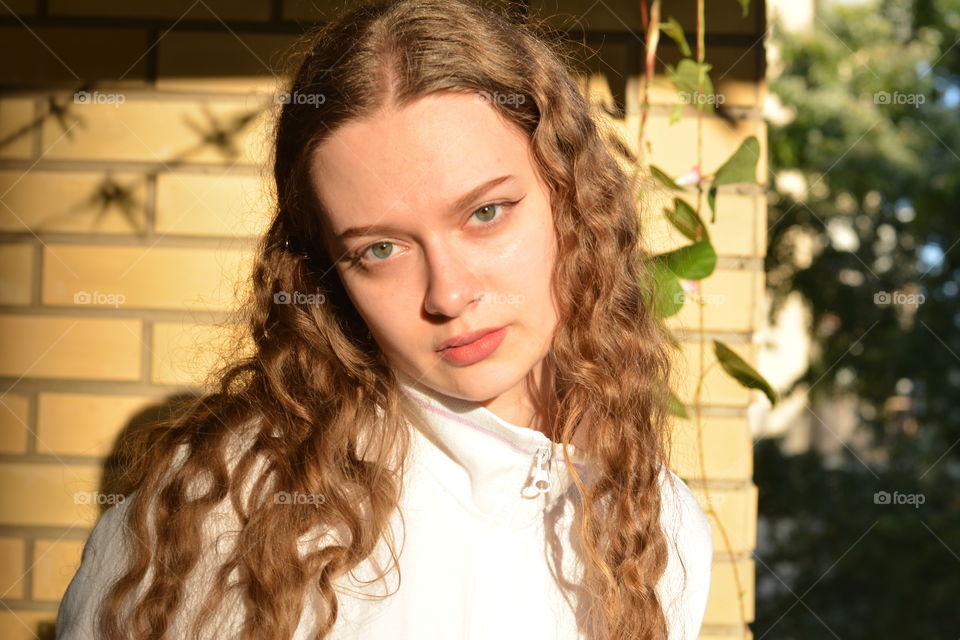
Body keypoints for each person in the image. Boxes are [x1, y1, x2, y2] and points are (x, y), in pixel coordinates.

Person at [55, 1, 713, 638]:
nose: (449, 295)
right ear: (330, 273)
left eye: (486, 213)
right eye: (380, 249)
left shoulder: (662, 521)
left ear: (568, 198)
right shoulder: (223, 512)